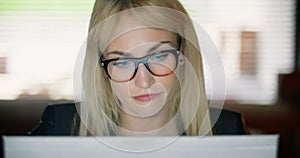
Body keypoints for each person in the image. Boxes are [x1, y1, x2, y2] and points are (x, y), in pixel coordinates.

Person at [30, 0, 248, 136]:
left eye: (159, 56)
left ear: (184, 58)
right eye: (122, 62)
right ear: (101, 69)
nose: (143, 81)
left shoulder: (228, 130)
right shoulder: (59, 127)